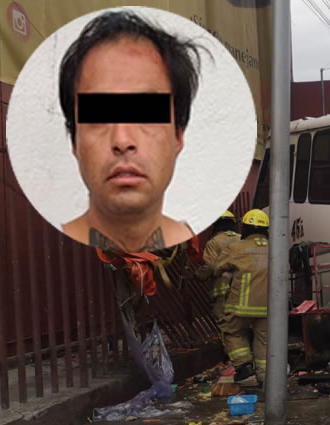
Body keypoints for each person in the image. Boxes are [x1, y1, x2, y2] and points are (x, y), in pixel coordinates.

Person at [58, 10, 204, 252]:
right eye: (100, 114)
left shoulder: (192, 245)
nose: (122, 141)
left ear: (178, 136)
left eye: (146, 113)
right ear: (75, 142)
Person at [215, 209, 269, 386]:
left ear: (245, 228)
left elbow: (217, 267)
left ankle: (245, 369)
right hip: (269, 307)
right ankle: (265, 375)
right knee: (264, 339)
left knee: (233, 331)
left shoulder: (236, 248)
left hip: (241, 305)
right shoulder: (276, 247)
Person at [196, 211, 240, 339]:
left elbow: (210, 266)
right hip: (244, 290)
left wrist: (198, 275)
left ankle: (230, 355)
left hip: (223, 292)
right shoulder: (242, 239)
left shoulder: (214, 242)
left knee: (226, 325)